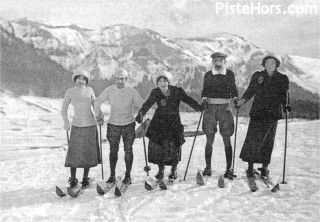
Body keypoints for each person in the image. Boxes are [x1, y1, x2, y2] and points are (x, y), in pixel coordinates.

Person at [135, 73, 202, 181]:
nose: (162, 83)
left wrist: (199, 107)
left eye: (165, 80)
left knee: (174, 146)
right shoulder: (155, 92)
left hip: (173, 122)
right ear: (157, 83)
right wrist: (140, 114)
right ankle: (161, 170)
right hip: (159, 122)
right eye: (160, 81)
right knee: (159, 147)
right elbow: (148, 103)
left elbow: (188, 100)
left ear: (169, 81)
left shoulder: (177, 91)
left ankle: (173, 170)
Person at [237, 54, 290, 179]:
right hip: (257, 112)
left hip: (273, 114)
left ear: (276, 65)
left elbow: (285, 95)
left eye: (272, 63)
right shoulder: (257, 76)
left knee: (268, 141)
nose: (270, 65)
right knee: (252, 140)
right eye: (267, 63)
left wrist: (287, 106)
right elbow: (250, 90)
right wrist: (242, 101)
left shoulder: (282, 78)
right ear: (264, 64)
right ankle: (250, 168)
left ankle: (265, 168)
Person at [94, 68, 143, 185]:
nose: (120, 81)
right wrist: (98, 117)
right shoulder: (109, 90)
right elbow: (97, 102)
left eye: (122, 79)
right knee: (113, 151)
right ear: (114, 79)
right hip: (113, 125)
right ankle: (112, 176)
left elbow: (142, 104)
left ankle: (128, 176)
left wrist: (141, 115)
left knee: (128, 150)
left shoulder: (131, 91)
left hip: (129, 124)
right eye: (117, 78)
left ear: (126, 79)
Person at [201, 52, 239, 178]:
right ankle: (208, 168)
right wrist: (204, 99)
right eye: (215, 61)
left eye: (220, 61)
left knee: (226, 137)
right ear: (212, 62)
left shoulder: (229, 74)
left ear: (224, 62)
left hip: (225, 107)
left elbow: (233, 90)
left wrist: (235, 100)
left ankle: (229, 169)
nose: (218, 63)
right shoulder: (208, 75)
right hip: (210, 108)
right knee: (209, 137)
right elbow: (205, 90)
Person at [61, 70, 101, 188]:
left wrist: (99, 117)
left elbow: (95, 106)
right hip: (77, 125)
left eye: (84, 79)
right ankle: (73, 179)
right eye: (79, 78)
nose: (81, 81)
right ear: (75, 80)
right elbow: (63, 110)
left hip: (90, 125)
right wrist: (66, 122)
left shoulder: (90, 90)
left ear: (86, 81)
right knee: (74, 153)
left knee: (88, 153)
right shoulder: (70, 92)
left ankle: (85, 179)